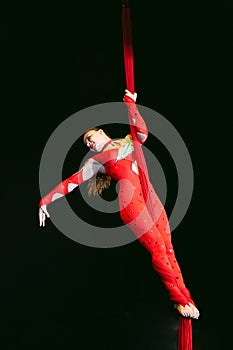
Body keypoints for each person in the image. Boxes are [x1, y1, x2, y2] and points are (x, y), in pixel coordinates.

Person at [38, 89, 200, 320]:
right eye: (86, 144)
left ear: (101, 132)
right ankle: (178, 300)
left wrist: (131, 106)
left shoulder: (128, 140)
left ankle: (185, 295)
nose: (89, 145)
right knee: (157, 249)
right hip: (131, 202)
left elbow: (143, 133)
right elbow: (71, 183)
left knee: (168, 248)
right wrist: (45, 201)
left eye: (90, 139)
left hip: (149, 196)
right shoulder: (96, 162)